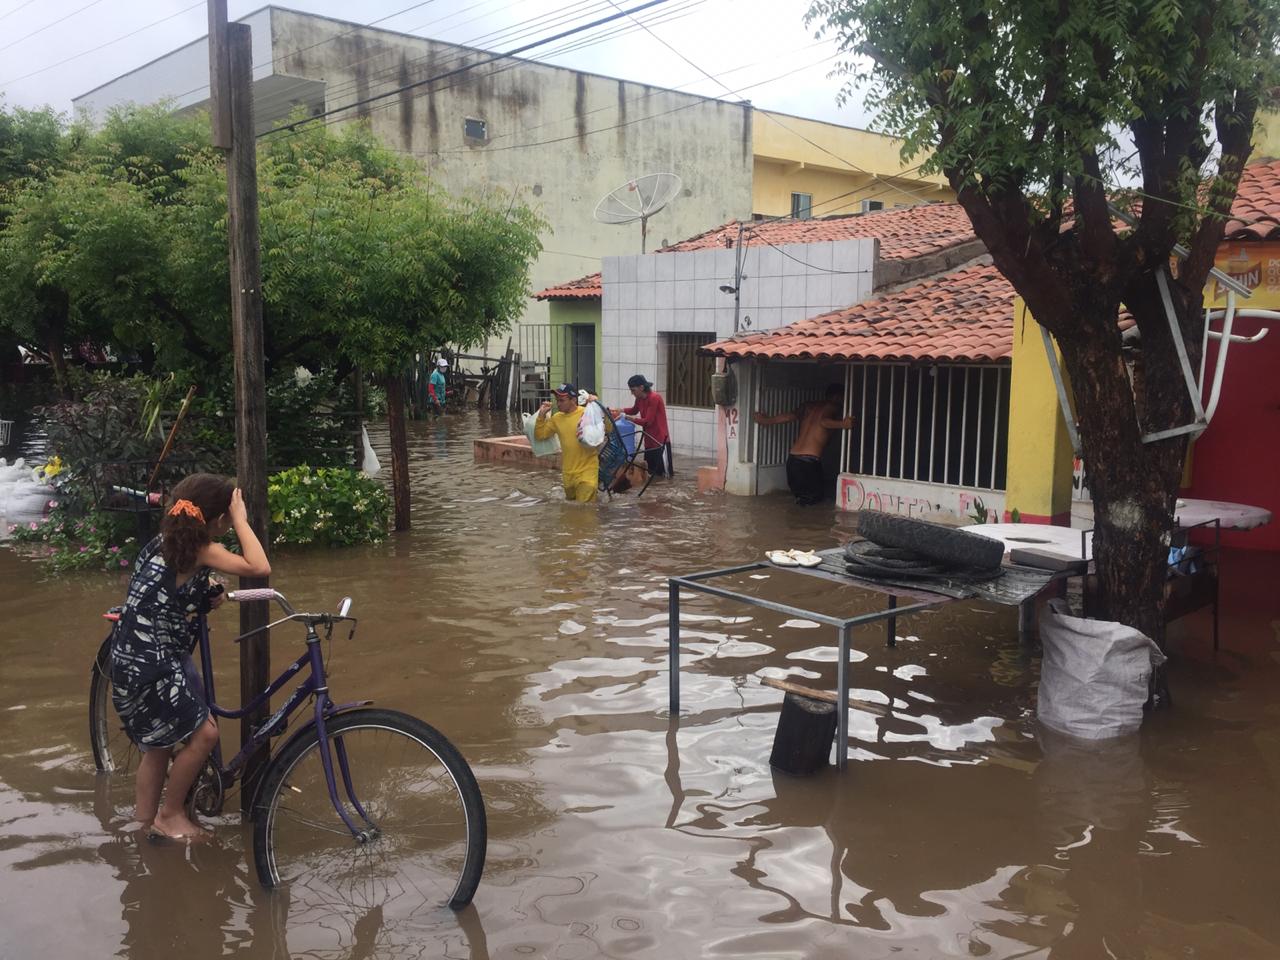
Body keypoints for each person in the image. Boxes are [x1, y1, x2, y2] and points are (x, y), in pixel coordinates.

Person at [110, 473, 271, 840]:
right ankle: (169, 816)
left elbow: (165, 590)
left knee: (158, 746)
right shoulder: (201, 549)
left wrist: (204, 594)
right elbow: (259, 566)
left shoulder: (163, 543)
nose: (230, 526)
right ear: (216, 520)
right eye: (228, 520)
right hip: (153, 662)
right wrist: (244, 521)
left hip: (128, 658)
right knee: (205, 736)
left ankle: (143, 825)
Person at [755, 383, 855, 505]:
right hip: (809, 463)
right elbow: (823, 421)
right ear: (839, 397)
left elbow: (788, 417)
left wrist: (765, 420)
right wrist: (843, 424)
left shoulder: (808, 406)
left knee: (801, 503)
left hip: (792, 461)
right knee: (815, 505)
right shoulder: (833, 407)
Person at [534, 382, 604, 502]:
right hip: (568, 474)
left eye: (562, 400)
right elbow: (540, 435)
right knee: (571, 511)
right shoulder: (557, 418)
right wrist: (541, 416)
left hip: (587, 471)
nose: (558, 403)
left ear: (573, 400)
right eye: (557, 400)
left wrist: (598, 406)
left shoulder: (586, 413)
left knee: (584, 511)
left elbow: (607, 428)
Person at [612, 373, 673, 478]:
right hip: (648, 441)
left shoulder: (654, 398)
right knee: (650, 474)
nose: (632, 393)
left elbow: (648, 421)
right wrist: (620, 410)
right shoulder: (639, 398)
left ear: (641, 387)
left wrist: (626, 417)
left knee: (665, 476)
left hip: (660, 442)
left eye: (633, 390)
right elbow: (634, 410)